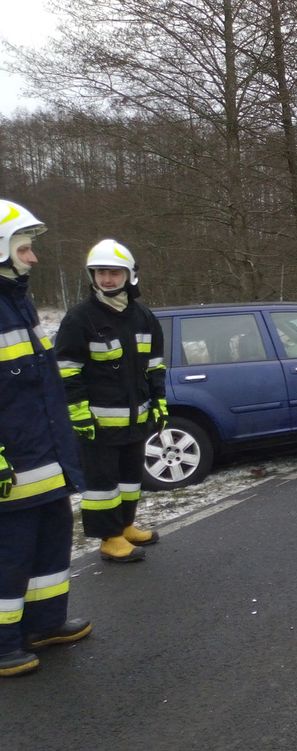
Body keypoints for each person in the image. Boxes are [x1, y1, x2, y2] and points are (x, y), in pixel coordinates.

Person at [0, 199, 92, 677]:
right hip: (11, 467)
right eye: (24, 248)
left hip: (45, 457)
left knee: (52, 544)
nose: (32, 258)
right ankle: (2, 643)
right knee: (9, 554)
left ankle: (43, 624)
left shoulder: (18, 300)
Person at [56, 239, 166, 562]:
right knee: (102, 486)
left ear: (129, 275)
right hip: (98, 425)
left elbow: (155, 365)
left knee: (131, 480)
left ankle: (126, 525)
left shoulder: (144, 317)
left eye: (113, 272)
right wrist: (78, 414)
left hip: (135, 421)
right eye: (101, 272)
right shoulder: (80, 319)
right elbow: (67, 370)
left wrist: (159, 402)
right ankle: (109, 539)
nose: (107, 279)